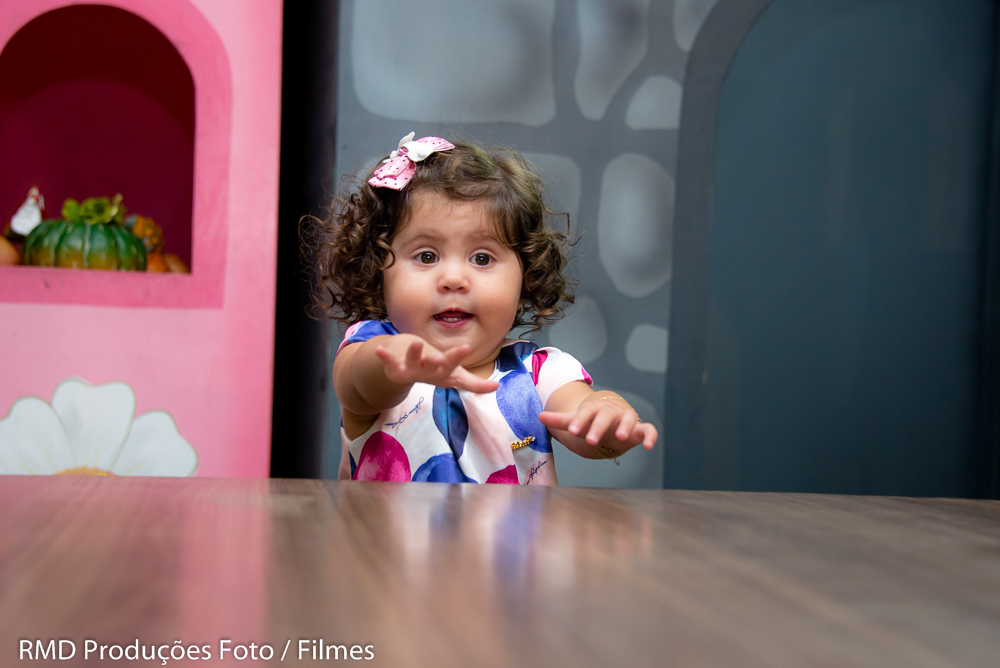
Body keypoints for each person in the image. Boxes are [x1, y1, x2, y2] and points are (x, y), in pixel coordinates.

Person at [316, 133, 657, 484]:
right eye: (427, 256)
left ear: (525, 277)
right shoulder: (371, 349)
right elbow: (357, 385)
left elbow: (579, 411)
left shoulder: (537, 372)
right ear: (378, 272)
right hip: (382, 525)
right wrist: (393, 365)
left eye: (482, 258)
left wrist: (606, 418)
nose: (453, 279)